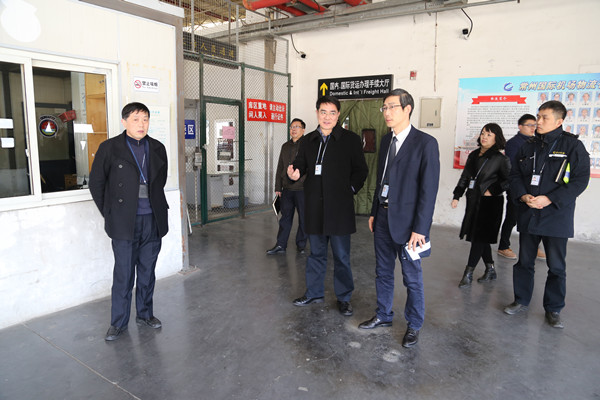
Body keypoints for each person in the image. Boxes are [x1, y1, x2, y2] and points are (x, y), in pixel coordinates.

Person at [358, 89, 440, 349]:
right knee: (382, 271)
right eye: (384, 108)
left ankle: (414, 324)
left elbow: (429, 191)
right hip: (383, 218)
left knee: (411, 277)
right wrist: (374, 211)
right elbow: (381, 179)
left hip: (409, 225)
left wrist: (420, 229)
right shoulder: (386, 141)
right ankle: (383, 314)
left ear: (407, 109)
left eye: (392, 107)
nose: (387, 112)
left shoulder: (425, 143)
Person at [504, 101, 590, 329]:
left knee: (556, 266)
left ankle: (553, 308)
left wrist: (550, 199)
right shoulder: (528, 146)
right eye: (538, 117)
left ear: (559, 121)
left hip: (556, 215)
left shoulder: (573, 146)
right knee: (524, 262)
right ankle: (521, 300)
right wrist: (523, 196)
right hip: (529, 213)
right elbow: (514, 175)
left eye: (544, 118)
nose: (538, 122)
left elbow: (580, 180)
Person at [89, 102, 169, 341]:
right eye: (135, 119)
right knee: (124, 274)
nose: (141, 124)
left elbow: (160, 182)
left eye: (145, 119)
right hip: (124, 222)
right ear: (124, 122)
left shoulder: (157, 147)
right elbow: (96, 183)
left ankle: (145, 314)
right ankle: (118, 322)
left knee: (147, 272)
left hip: (152, 219)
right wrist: (110, 212)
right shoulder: (110, 147)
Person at [287, 95, 368, 316]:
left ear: (338, 115)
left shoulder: (350, 140)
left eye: (332, 113)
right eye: (323, 112)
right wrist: (295, 172)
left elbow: (361, 170)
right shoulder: (308, 140)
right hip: (315, 207)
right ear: (317, 113)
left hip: (340, 209)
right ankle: (314, 292)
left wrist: (349, 189)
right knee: (316, 254)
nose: (327, 117)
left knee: (341, 256)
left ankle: (344, 298)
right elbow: (300, 164)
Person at [452, 123, 511, 288]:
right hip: (474, 201)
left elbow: (509, 180)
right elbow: (465, 177)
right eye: (483, 133)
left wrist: (492, 190)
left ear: (496, 139)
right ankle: (490, 269)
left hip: (490, 204)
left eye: (489, 135)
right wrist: (457, 195)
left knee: (478, 239)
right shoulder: (473, 155)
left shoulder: (501, 159)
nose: (484, 137)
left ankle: (468, 273)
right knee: (480, 238)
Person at [498, 115, 545, 260]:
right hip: (517, 187)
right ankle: (503, 246)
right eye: (529, 125)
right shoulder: (514, 143)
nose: (533, 128)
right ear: (520, 126)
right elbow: (514, 167)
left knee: (533, 218)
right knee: (512, 217)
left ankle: (534, 248)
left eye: (534, 125)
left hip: (533, 188)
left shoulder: (537, 142)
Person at [266, 118, 307, 255]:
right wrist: (278, 187)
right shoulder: (285, 146)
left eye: (297, 127)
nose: (293, 129)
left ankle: (301, 245)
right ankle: (281, 245)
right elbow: (280, 167)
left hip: (302, 189)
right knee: (285, 219)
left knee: (304, 219)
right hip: (287, 189)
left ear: (303, 130)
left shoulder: (308, 146)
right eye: (291, 127)